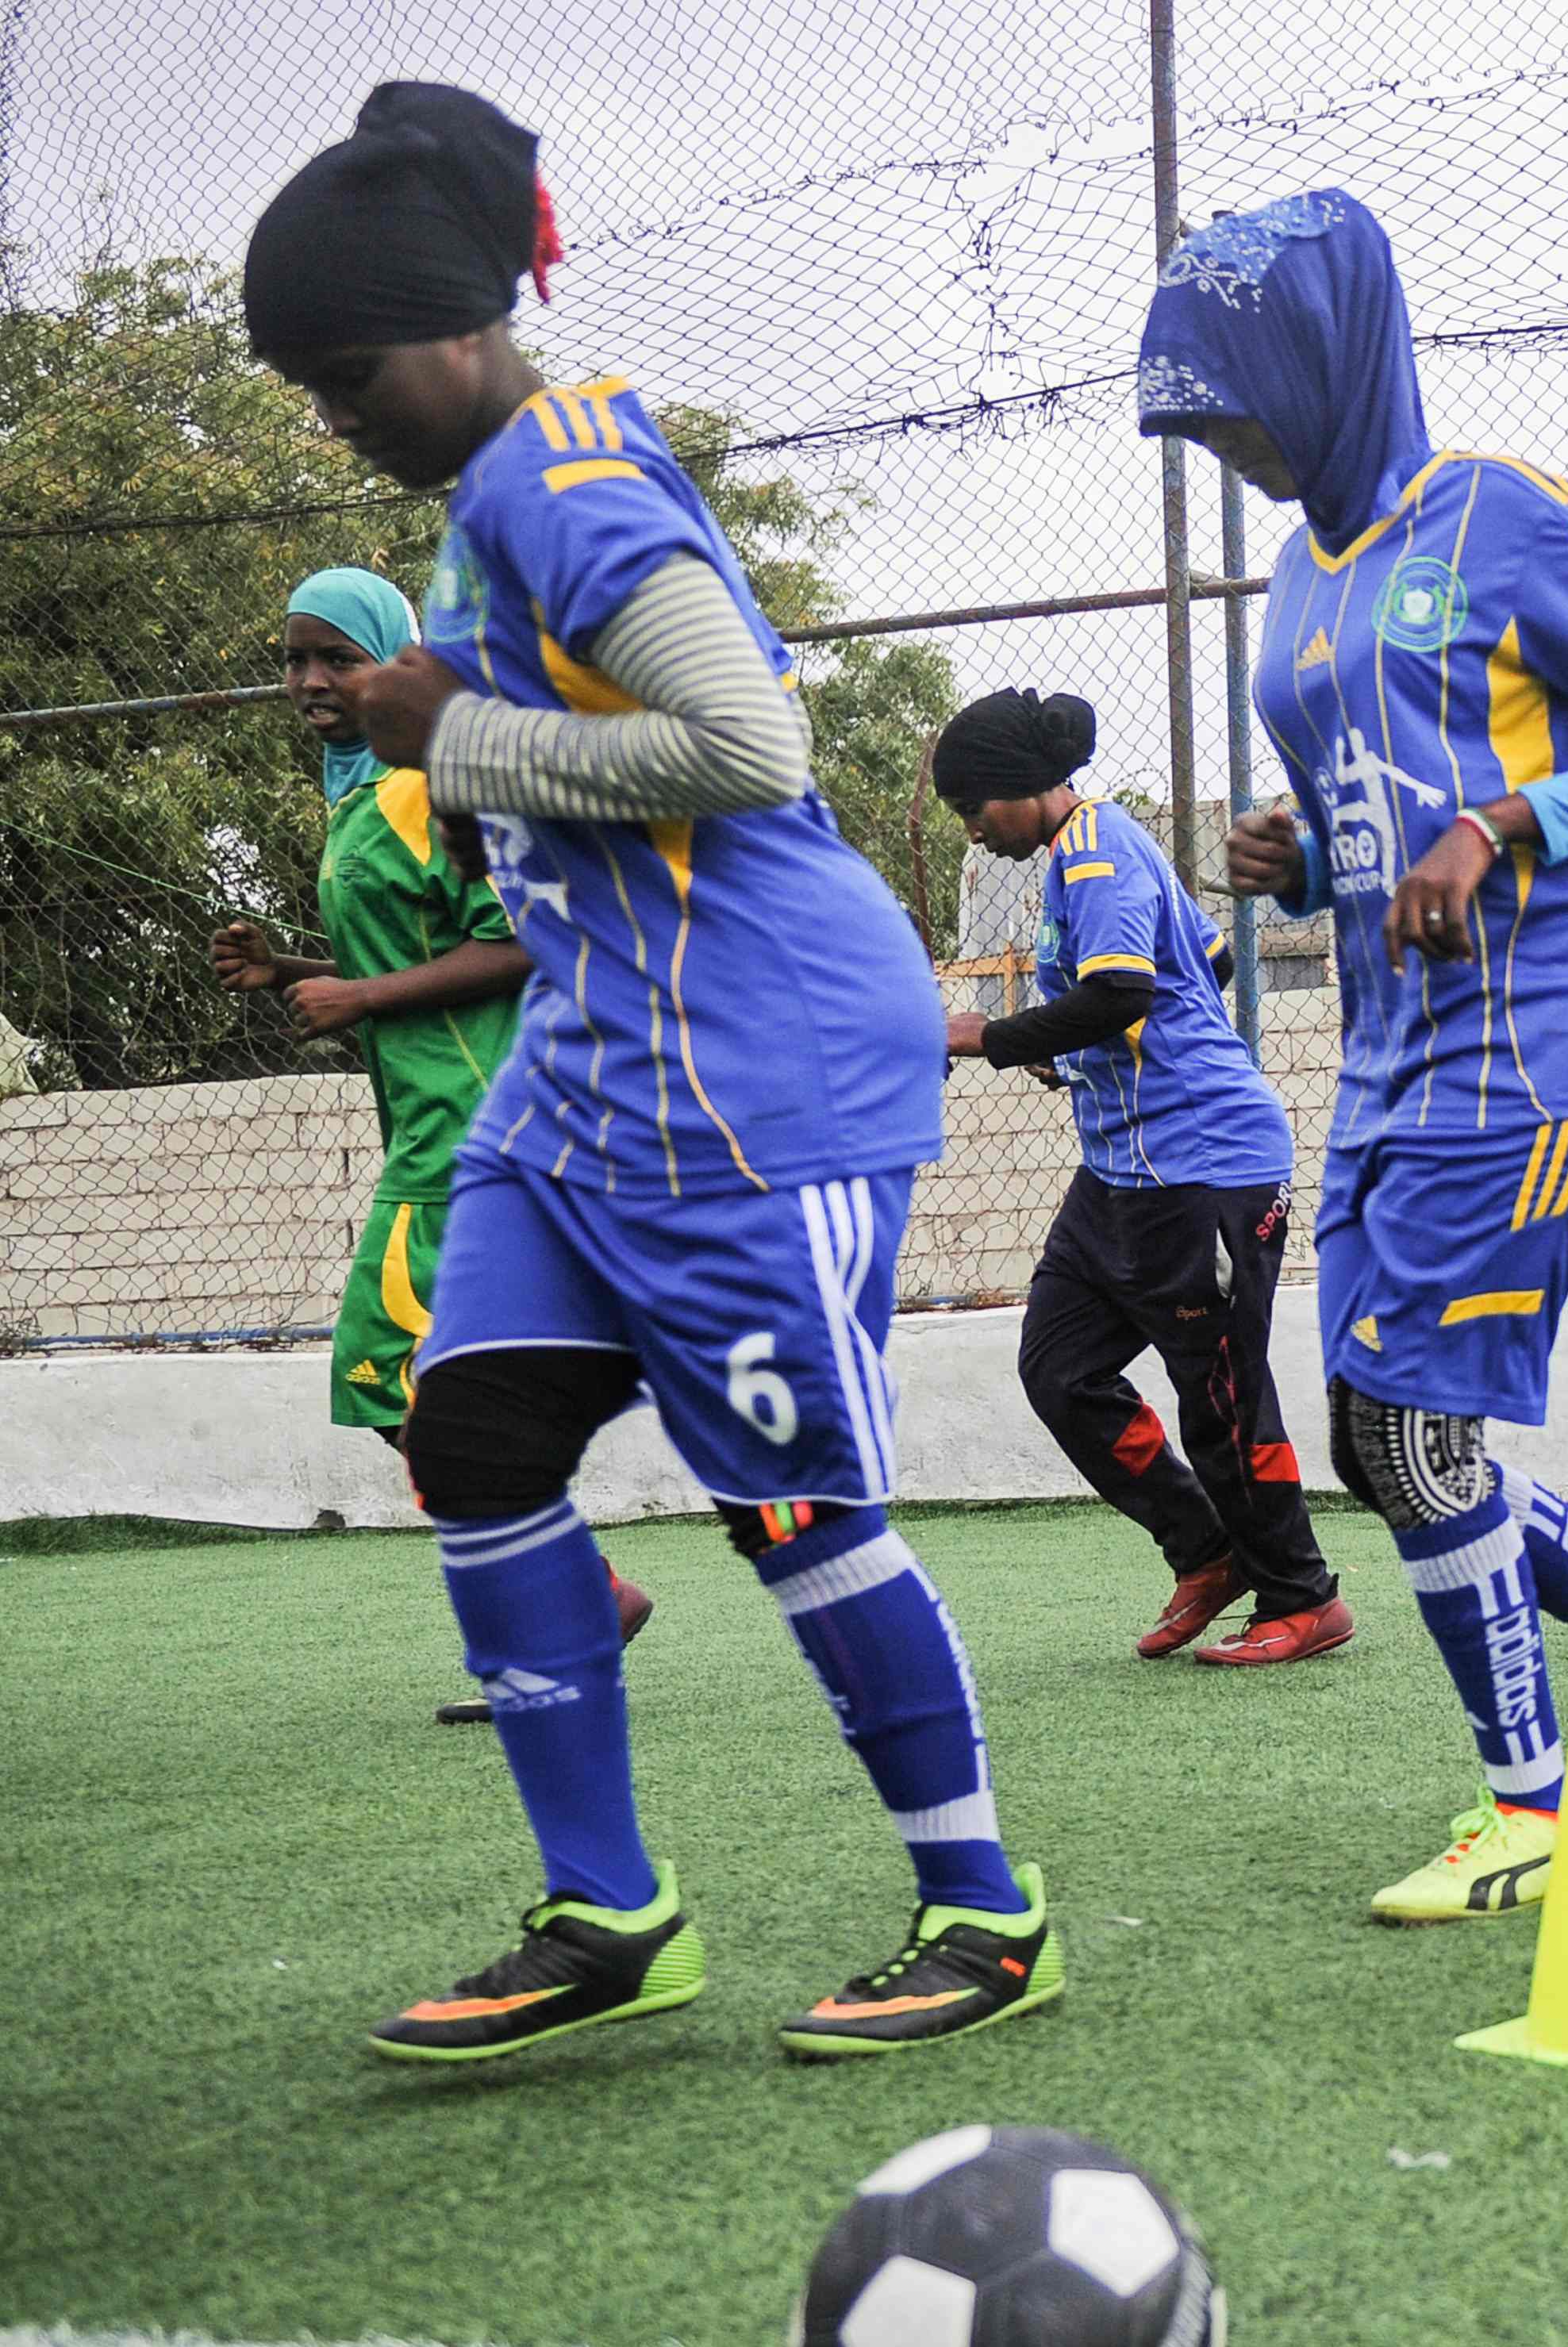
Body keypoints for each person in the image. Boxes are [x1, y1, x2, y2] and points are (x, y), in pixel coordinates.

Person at [246, 82, 1056, 2062]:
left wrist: (461, 739)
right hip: (583, 1077)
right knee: (478, 1446)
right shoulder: (496, 489)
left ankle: (982, 1907)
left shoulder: (568, 487)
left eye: (347, 376)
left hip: (757, 1079)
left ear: (454, 324)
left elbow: (751, 753)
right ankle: (611, 1912)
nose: (333, 416)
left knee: (794, 1509)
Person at [1148, 191, 1568, 1923]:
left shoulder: (1508, 515)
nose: (1229, 445)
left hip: (1542, 1036)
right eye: (1197, 417)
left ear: (1331, 360)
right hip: (1388, 1051)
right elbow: (1380, 775)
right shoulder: (1298, 569)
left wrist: (1506, 822)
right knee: (1382, 1440)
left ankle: (1541, 1798)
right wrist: (1302, 842)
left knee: (1407, 1434)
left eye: (1239, 400)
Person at [210, 563, 655, 1726]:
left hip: (468, 1127)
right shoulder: (361, 792)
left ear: (391, 656)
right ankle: (574, 1608)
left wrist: (359, 1000)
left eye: (336, 657)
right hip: (431, 1120)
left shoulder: (431, 781)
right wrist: (298, 973)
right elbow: (408, 951)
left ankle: (577, 1601)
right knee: (436, 1387)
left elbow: (518, 941)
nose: (309, 680)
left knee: (386, 1370)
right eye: (294, 658)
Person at [932, 688, 1347, 1668]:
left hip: (1200, 1166)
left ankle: (1303, 1595)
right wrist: (1068, 1050)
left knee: (1220, 1395)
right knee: (1059, 1368)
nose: (972, 828)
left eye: (971, 808)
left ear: (1012, 790)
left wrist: (980, 1035)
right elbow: (1197, 960)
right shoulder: (1083, 855)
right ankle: (1206, 1552)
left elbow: (1122, 989)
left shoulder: (1097, 847)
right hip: (1120, 1169)